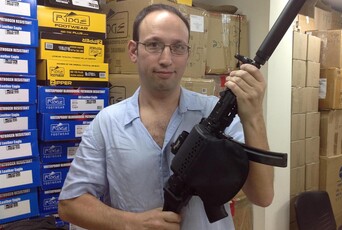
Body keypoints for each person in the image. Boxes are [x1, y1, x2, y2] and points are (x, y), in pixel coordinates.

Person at [58, 3, 274, 230]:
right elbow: (70, 205)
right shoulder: (107, 123)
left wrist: (254, 115)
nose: (166, 59)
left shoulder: (214, 113)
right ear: (133, 50)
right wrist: (132, 223)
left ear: (188, 53)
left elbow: (263, 196)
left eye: (178, 47)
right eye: (153, 45)